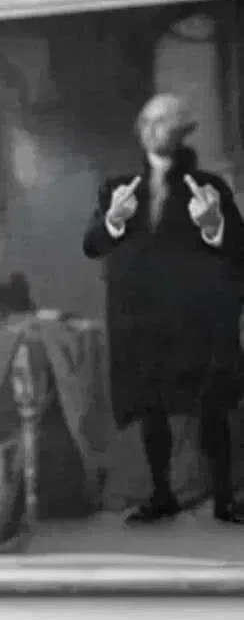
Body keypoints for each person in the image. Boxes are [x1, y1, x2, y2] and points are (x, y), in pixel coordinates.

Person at [83, 93, 244, 525]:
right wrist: (115, 219)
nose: (154, 128)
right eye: (148, 121)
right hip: (142, 320)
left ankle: (225, 499)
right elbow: (93, 245)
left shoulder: (210, 187)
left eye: (165, 121)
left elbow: (238, 249)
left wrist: (212, 224)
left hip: (197, 319)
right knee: (150, 408)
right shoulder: (117, 189)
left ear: (183, 130)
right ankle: (162, 494)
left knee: (211, 407)